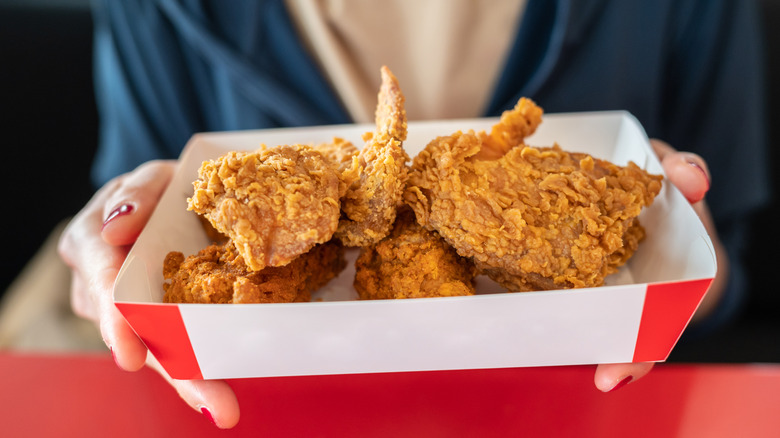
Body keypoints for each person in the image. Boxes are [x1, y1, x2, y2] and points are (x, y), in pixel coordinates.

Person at [58, 0, 767, 429]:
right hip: (270, 418)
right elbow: (135, 227)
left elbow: (734, 273)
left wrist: (688, 252)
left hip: (594, 410)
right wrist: (112, 252)